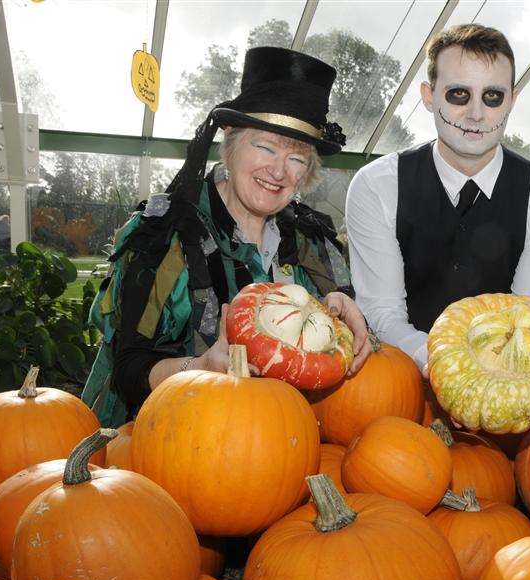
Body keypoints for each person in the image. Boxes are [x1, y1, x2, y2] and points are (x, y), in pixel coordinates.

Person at [83, 47, 370, 426]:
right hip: (169, 437)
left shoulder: (311, 243)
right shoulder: (165, 235)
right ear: (230, 139)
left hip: (279, 440)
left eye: (297, 158)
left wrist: (340, 319)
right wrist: (201, 367)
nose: (279, 171)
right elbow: (129, 370)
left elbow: (338, 365)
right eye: (265, 147)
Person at [346, 24, 530, 375]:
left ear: (511, 101)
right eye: (458, 95)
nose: (476, 114)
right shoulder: (376, 186)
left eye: (493, 97)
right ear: (428, 95)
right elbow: (382, 314)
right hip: (398, 387)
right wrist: (447, 366)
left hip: (506, 392)